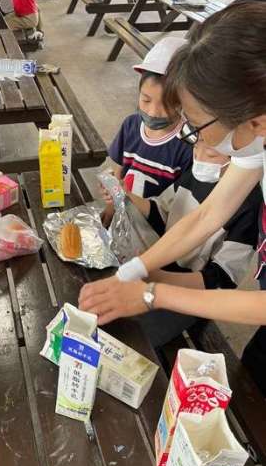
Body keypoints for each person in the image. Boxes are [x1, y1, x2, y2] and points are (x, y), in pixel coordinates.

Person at [78, 1, 266, 395]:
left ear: (255, 119)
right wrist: (132, 272)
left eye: (196, 125)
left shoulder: (253, 127)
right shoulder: (255, 137)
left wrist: (152, 293)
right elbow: (207, 215)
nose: (192, 138)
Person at [101, 141, 261, 347]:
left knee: (131, 338)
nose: (199, 158)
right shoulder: (196, 173)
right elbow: (163, 213)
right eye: (196, 147)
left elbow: (221, 279)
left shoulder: (249, 205)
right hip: (157, 272)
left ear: (239, 154)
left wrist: (159, 279)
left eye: (211, 154)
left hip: (191, 295)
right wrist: (127, 196)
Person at [101, 36, 193, 228]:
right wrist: (110, 206)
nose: (153, 112)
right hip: (126, 217)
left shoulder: (187, 145)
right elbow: (119, 172)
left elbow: (176, 212)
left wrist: (126, 194)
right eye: (146, 100)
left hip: (156, 227)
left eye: (167, 104)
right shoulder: (131, 125)